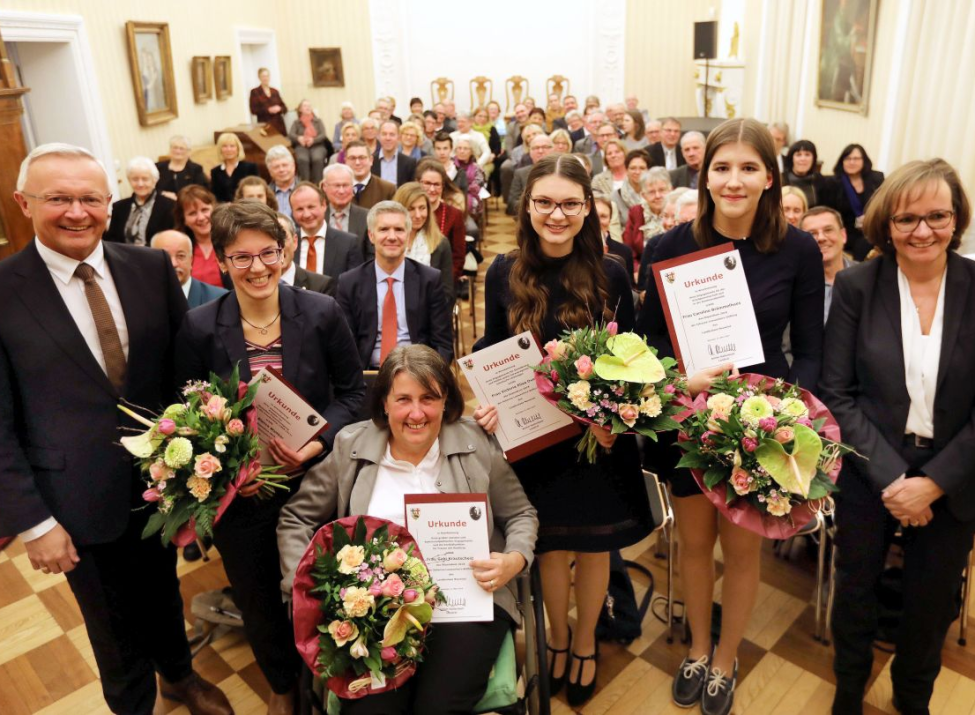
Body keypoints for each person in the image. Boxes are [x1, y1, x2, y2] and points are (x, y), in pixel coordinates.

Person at [1, 143, 231, 715]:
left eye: (89, 198)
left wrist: (203, 470)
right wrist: (33, 523)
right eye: (58, 198)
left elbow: (186, 378)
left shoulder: (148, 267)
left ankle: (179, 678)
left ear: (111, 203)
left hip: (163, 489)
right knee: (113, 629)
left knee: (162, 595)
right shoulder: (2, 292)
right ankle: (132, 705)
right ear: (23, 203)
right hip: (74, 504)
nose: (77, 212)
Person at [639, 118, 824, 715]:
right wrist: (677, 382)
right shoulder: (669, 247)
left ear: (770, 176)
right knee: (694, 543)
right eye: (722, 167)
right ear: (705, 174)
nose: (734, 180)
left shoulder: (796, 249)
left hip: (759, 426)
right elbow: (645, 346)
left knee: (743, 551)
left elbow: (811, 347)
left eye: (749, 168)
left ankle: (726, 659)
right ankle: (697, 646)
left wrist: (792, 423)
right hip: (686, 416)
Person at [175, 200, 363, 715]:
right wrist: (233, 473)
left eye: (268, 253)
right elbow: (187, 414)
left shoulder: (321, 311)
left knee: (325, 588)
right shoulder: (198, 327)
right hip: (244, 497)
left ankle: (330, 680)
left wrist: (316, 445)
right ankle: (282, 686)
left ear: (284, 253)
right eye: (242, 257)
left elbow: (352, 396)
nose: (258, 267)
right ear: (220, 259)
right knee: (258, 602)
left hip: (317, 484)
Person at [478, 154, 652, 708]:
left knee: (594, 547)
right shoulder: (503, 272)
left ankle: (584, 642)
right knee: (550, 548)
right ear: (527, 206)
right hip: (535, 441)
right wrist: (487, 400)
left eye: (569, 204)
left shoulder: (613, 272)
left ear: (587, 209)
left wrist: (612, 419)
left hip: (596, 442)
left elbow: (635, 359)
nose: (557, 214)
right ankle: (555, 637)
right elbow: (489, 348)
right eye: (545, 203)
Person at [278, 344, 537, 714]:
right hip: (375, 614)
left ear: (446, 401)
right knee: (372, 711)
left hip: (465, 608)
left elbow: (521, 514)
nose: (416, 413)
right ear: (384, 402)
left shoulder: (475, 442)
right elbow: (296, 519)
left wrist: (514, 559)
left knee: (437, 707)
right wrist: (305, 589)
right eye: (403, 399)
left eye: (429, 398)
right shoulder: (350, 447)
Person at [821, 159, 975, 715]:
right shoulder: (859, 284)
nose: (924, 231)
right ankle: (847, 694)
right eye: (909, 218)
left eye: (938, 216)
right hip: (871, 471)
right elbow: (836, 393)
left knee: (931, 606)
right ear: (887, 224)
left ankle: (914, 701)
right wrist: (895, 479)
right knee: (855, 592)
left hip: (954, 476)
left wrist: (932, 482)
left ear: (956, 220)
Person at [336, 201, 452, 368]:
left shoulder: (429, 280)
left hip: (418, 372)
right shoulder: (349, 282)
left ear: (408, 234)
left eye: (399, 230)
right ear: (371, 235)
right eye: (383, 229)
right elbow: (345, 344)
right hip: (368, 374)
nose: (392, 237)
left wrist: (430, 375)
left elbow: (443, 343)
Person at [822, 143, 885, 261]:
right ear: (842, 161)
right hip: (846, 228)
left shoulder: (876, 178)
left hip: (872, 226)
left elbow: (884, 204)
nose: (852, 162)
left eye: (856, 159)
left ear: (864, 160)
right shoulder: (832, 183)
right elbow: (829, 212)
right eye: (848, 159)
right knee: (863, 244)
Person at [395, 181, 455, 302]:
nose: (418, 215)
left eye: (422, 208)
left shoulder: (440, 243)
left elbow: (447, 292)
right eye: (411, 209)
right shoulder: (388, 241)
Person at [290, 181, 363, 279]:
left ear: (324, 205)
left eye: (311, 207)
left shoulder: (348, 243)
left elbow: (355, 284)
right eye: (299, 209)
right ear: (292, 212)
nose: (306, 214)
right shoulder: (287, 244)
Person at [104, 156, 175, 245]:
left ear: (154, 180)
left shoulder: (170, 206)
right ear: (129, 180)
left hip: (155, 256)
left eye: (145, 179)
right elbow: (112, 240)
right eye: (135, 179)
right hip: (124, 257)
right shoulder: (119, 207)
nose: (140, 184)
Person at [416, 159, 467, 284]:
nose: (432, 189)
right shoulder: (409, 212)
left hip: (442, 282)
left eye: (437, 184)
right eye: (427, 183)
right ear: (418, 183)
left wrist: (442, 284)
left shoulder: (454, 215)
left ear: (443, 186)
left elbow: (458, 258)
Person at [151, 229, 228, 308]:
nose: (173, 264)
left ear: (191, 260)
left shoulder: (219, 299)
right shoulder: (142, 298)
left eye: (180, 256)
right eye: (165, 257)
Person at [800, 206, 852, 323]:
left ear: (843, 235)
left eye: (828, 230)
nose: (821, 238)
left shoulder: (869, 277)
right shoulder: (793, 287)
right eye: (812, 233)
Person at [174, 184, 225, 288]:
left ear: (214, 208)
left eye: (205, 210)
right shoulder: (179, 250)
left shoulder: (229, 241)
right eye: (192, 213)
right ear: (183, 219)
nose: (201, 218)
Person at [623, 166, 671, 269]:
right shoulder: (636, 212)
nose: (658, 196)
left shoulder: (678, 210)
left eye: (662, 190)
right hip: (645, 270)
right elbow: (629, 249)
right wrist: (636, 270)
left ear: (670, 190)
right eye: (652, 192)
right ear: (643, 195)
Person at [276, 212, 335, 296]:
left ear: (295, 241)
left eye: (283, 237)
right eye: (271, 238)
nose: (278, 246)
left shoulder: (320, 286)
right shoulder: (253, 286)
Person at [323, 163, 370, 256]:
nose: (341, 191)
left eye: (345, 185)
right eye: (336, 185)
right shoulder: (317, 216)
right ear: (325, 187)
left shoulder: (367, 217)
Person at [507, 133, 555, 215]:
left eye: (545, 147)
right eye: (536, 148)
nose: (540, 151)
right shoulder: (520, 173)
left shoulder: (563, 172)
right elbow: (512, 204)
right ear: (530, 152)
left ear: (553, 149)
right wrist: (534, 209)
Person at [594, 195, 635, 287]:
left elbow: (630, 288)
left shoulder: (624, 252)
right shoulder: (574, 248)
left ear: (610, 220)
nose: (597, 221)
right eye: (593, 216)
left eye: (603, 216)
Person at [289, 99, 332, 182]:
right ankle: (305, 183)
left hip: (317, 146)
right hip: (302, 146)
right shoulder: (296, 122)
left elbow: (323, 135)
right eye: (305, 106)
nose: (308, 107)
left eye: (309, 106)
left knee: (317, 159)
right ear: (300, 109)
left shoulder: (318, 121)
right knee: (302, 159)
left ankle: (318, 184)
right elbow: (291, 134)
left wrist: (313, 140)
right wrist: (299, 138)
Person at [156, 134, 209, 200]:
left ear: (188, 152)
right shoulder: (158, 167)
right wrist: (163, 193)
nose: (178, 151)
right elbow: (151, 188)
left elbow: (200, 191)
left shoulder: (196, 169)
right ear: (170, 149)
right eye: (175, 147)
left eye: (181, 148)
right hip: (163, 202)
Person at [345, 140, 396, 209]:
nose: (357, 162)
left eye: (362, 157)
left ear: (371, 160)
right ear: (346, 161)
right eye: (352, 158)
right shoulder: (337, 188)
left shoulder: (387, 190)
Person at [210, 132, 259, 203]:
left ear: (238, 149)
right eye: (224, 146)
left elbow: (256, 190)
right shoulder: (215, 172)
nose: (228, 149)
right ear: (220, 149)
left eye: (232, 146)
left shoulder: (250, 168)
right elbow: (215, 197)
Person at [783, 139, 826, 207]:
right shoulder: (781, 179)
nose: (803, 159)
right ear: (791, 158)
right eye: (798, 155)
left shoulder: (820, 180)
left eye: (807, 155)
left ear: (813, 159)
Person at [373, 120, 417, 187]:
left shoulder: (409, 163)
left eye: (392, 134)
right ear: (378, 136)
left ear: (399, 137)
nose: (388, 138)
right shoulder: (371, 161)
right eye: (384, 134)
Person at [611, 149, 649, 224]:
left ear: (648, 170)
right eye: (633, 168)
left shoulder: (654, 195)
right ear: (626, 170)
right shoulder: (616, 196)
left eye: (642, 168)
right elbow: (614, 227)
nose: (637, 172)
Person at [453, 135, 487, 218]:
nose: (462, 151)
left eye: (465, 149)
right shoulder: (450, 165)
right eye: (459, 148)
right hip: (452, 194)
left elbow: (478, 185)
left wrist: (464, 190)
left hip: (471, 195)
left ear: (471, 151)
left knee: (468, 202)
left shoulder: (477, 168)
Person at [249, 67, 288, 136]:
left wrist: (279, 109)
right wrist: (268, 110)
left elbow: (285, 108)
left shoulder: (275, 91)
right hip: (265, 126)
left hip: (279, 125)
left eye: (267, 76)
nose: (265, 78)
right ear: (259, 77)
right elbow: (253, 110)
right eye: (263, 76)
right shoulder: (255, 92)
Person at [264, 145, 298, 214]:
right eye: (276, 167)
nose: (281, 170)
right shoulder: (264, 194)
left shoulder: (306, 191)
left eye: (285, 165)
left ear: (293, 166)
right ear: (270, 171)